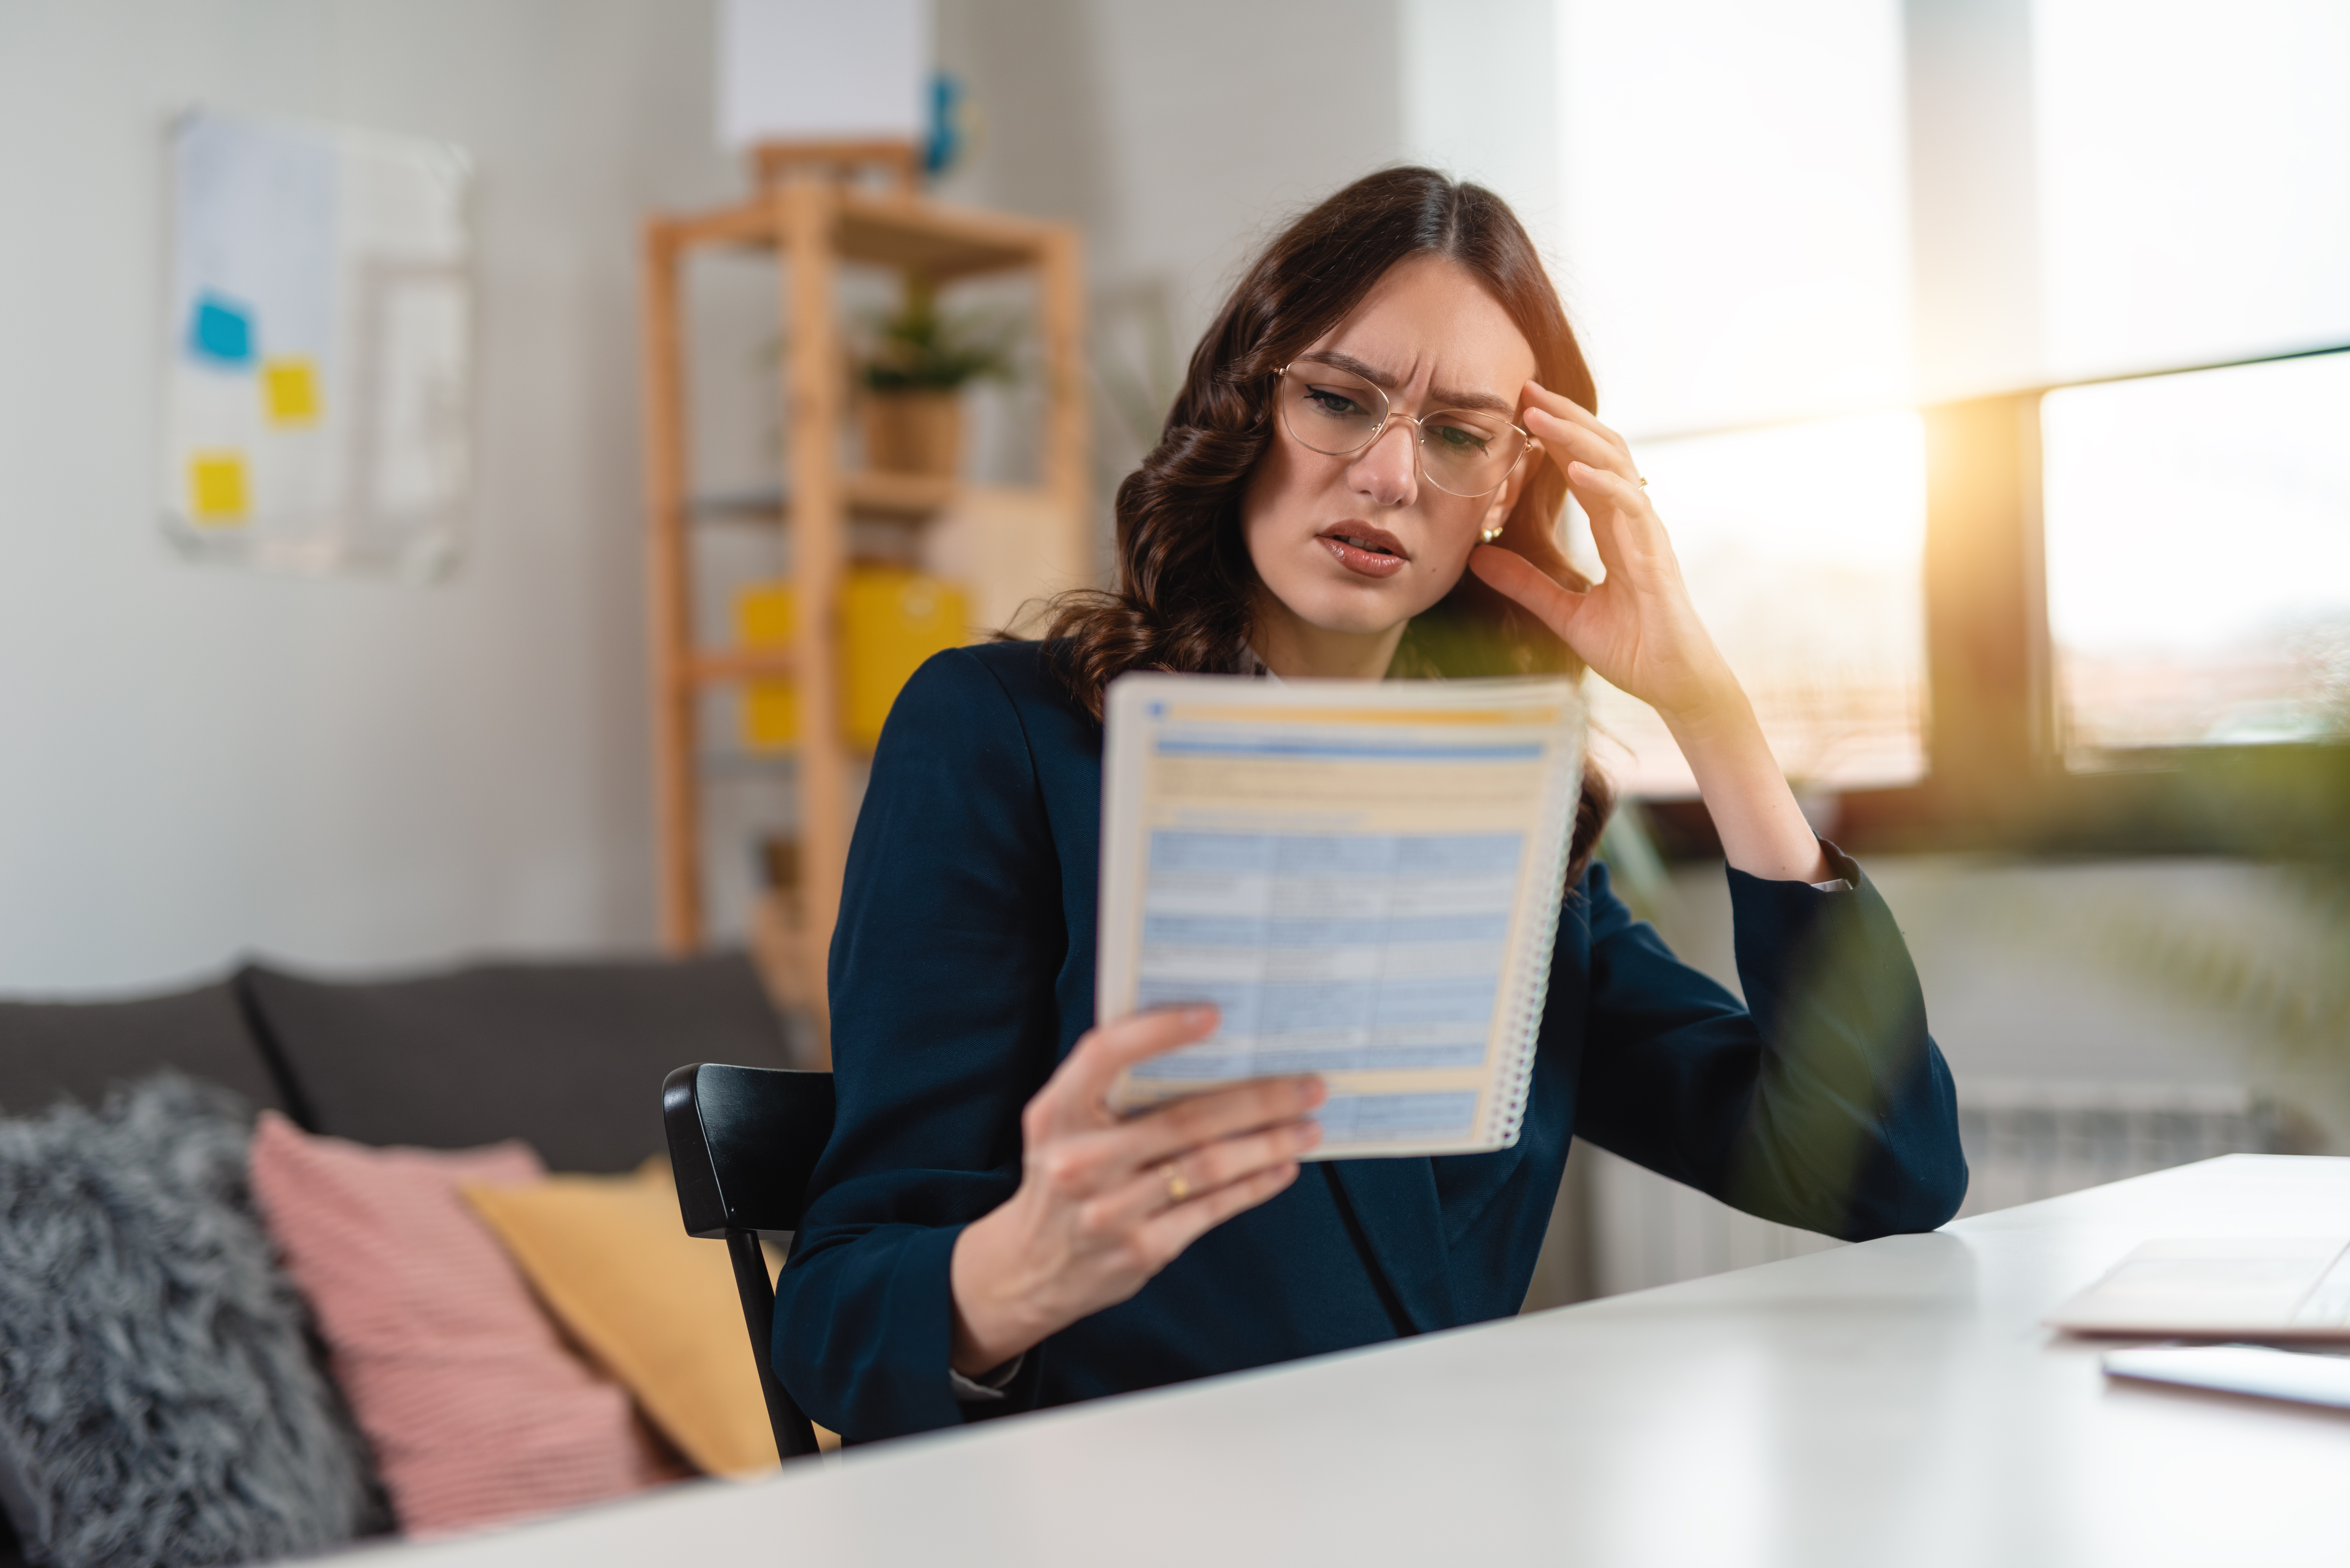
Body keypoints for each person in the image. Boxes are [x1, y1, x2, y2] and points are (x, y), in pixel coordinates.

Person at [773, 167, 1967, 1444]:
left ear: (1506, 492)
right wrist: (1012, 1273)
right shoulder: (1005, 735)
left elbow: (1873, 1168)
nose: (1391, 473)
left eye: (1458, 433)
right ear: (1248, 406)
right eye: (1339, 401)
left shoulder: (1512, 831)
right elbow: (837, 1320)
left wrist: (1710, 716)